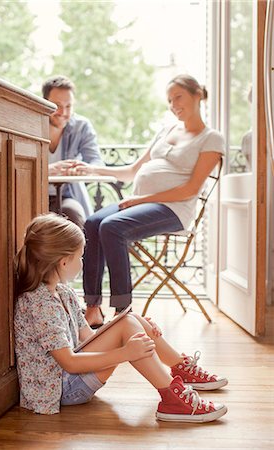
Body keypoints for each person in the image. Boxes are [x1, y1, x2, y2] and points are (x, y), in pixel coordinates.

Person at [14, 213, 228, 423]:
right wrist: (124, 353)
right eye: (80, 257)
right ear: (63, 262)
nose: (83, 262)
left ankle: (180, 369)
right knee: (127, 324)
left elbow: (89, 338)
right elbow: (69, 362)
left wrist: (139, 328)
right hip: (61, 391)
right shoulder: (39, 304)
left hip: (68, 380)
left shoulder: (63, 293)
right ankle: (173, 398)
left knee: (131, 319)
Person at [73, 74, 225, 327]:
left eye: (179, 97)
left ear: (197, 95)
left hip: (173, 209)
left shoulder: (211, 138)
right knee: (92, 223)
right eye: (169, 100)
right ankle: (93, 307)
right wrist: (91, 169)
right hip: (141, 203)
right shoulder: (166, 131)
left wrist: (141, 199)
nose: (174, 104)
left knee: (111, 227)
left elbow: (190, 189)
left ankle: (123, 312)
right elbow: (131, 171)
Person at [42, 75, 104, 228]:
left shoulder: (81, 126)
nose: (63, 112)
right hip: (33, 193)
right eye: (56, 105)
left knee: (74, 216)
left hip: (66, 194)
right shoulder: (31, 124)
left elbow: (96, 161)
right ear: (44, 102)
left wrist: (82, 168)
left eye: (68, 106)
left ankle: (79, 253)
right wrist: (49, 170)